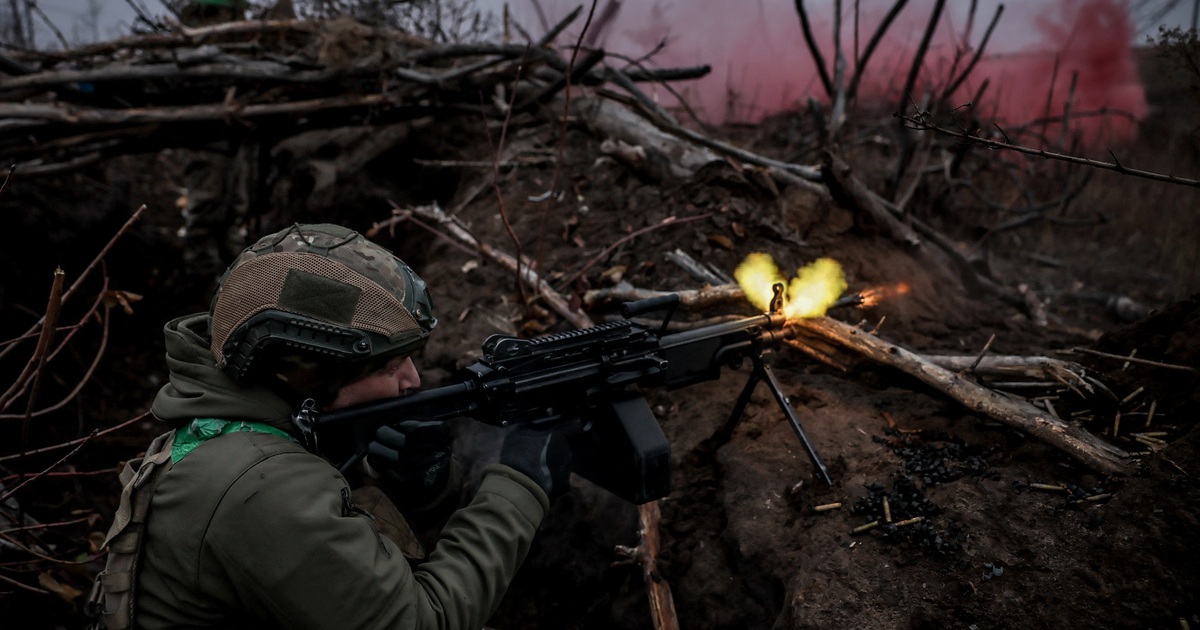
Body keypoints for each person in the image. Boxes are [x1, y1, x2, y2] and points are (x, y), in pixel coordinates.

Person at [86, 223, 570, 630]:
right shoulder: (262, 484)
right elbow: (421, 621)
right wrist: (519, 486)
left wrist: (419, 487)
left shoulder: (230, 433)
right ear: (307, 372)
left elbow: (339, 554)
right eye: (388, 366)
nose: (412, 381)